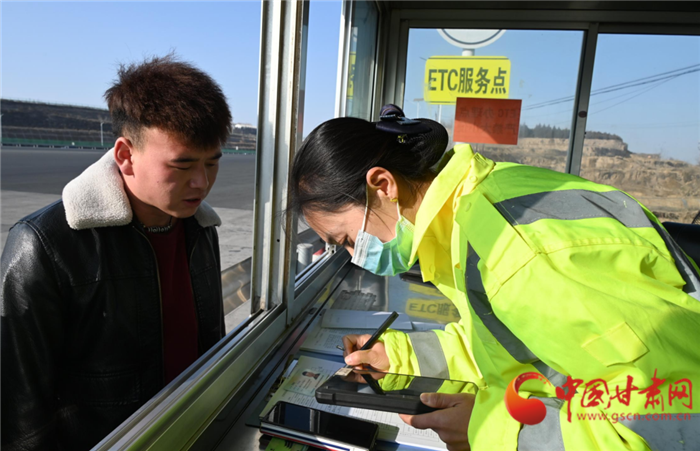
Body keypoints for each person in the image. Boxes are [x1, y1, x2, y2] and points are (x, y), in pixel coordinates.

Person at [287, 104, 700, 451]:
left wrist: (496, 431)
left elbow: (673, 418)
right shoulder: (472, 214)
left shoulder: (517, 251)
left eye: (346, 239)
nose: (354, 255)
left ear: (383, 185)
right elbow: (510, 343)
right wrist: (399, 356)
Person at [1, 55, 230, 451]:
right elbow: (20, 409)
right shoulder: (44, 244)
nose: (201, 182)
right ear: (125, 156)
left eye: (212, 163)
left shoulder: (200, 226)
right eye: (183, 165)